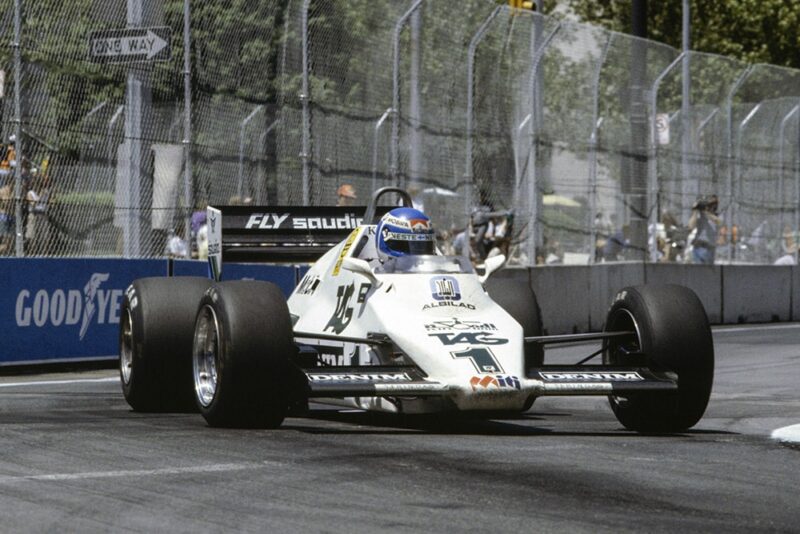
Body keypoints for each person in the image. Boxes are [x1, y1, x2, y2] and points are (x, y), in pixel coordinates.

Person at [688, 195, 721, 265]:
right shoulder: (699, 215)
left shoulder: (717, 215)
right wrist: (695, 211)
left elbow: (718, 222)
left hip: (709, 248)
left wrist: (706, 212)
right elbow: (690, 227)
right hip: (698, 246)